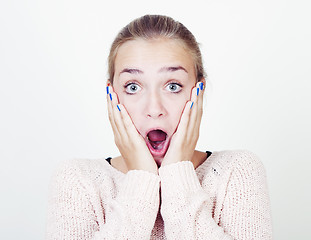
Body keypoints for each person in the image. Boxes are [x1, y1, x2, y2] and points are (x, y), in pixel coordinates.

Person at [46, 15, 273, 239]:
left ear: (198, 92)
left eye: (173, 86)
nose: (154, 109)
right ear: (112, 96)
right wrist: (141, 179)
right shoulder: (78, 180)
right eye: (133, 87)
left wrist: (177, 175)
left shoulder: (237, 172)